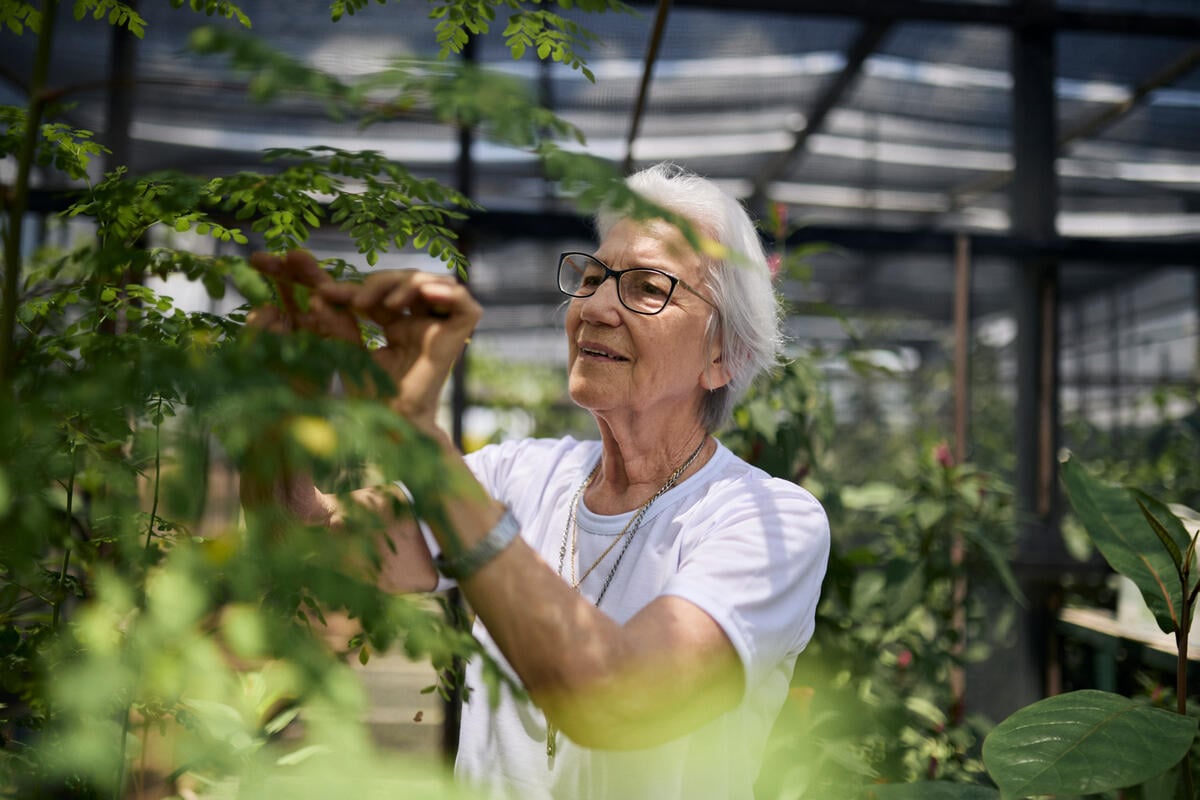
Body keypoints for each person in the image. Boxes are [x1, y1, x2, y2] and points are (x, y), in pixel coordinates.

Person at [243, 162, 830, 799]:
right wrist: (277, 409)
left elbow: (620, 700)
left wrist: (419, 443)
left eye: (647, 287)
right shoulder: (518, 474)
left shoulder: (767, 522)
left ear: (724, 355)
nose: (598, 306)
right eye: (594, 276)